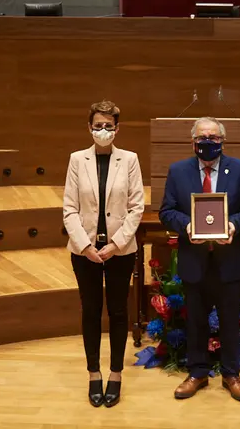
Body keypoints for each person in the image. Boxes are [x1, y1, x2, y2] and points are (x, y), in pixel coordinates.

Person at [159, 117, 240, 402]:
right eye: (202, 137)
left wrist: (233, 225)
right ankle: (197, 373)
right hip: (195, 261)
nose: (208, 142)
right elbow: (166, 211)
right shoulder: (178, 171)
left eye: (214, 137)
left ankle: (232, 374)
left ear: (223, 141)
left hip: (229, 261)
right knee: (195, 323)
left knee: (230, 321)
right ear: (193, 141)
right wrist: (186, 226)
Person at [63, 100, 144, 408]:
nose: (103, 131)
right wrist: (85, 246)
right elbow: (70, 208)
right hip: (84, 252)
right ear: (89, 127)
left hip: (120, 251)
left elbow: (137, 207)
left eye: (109, 126)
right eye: (98, 125)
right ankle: (94, 372)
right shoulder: (76, 160)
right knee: (91, 311)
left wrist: (116, 244)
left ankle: (116, 373)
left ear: (117, 128)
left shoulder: (130, 159)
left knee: (119, 311)